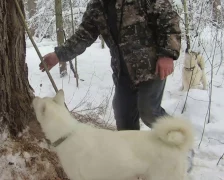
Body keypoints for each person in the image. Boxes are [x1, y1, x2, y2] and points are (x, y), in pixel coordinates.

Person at [40, 0, 194, 173]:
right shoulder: (97, 5)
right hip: (123, 73)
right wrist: (58, 55)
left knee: (149, 110)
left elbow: (169, 19)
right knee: (123, 117)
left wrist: (167, 54)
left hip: (150, 67)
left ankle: (181, 148)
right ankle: (134, 167)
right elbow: (84, 35)